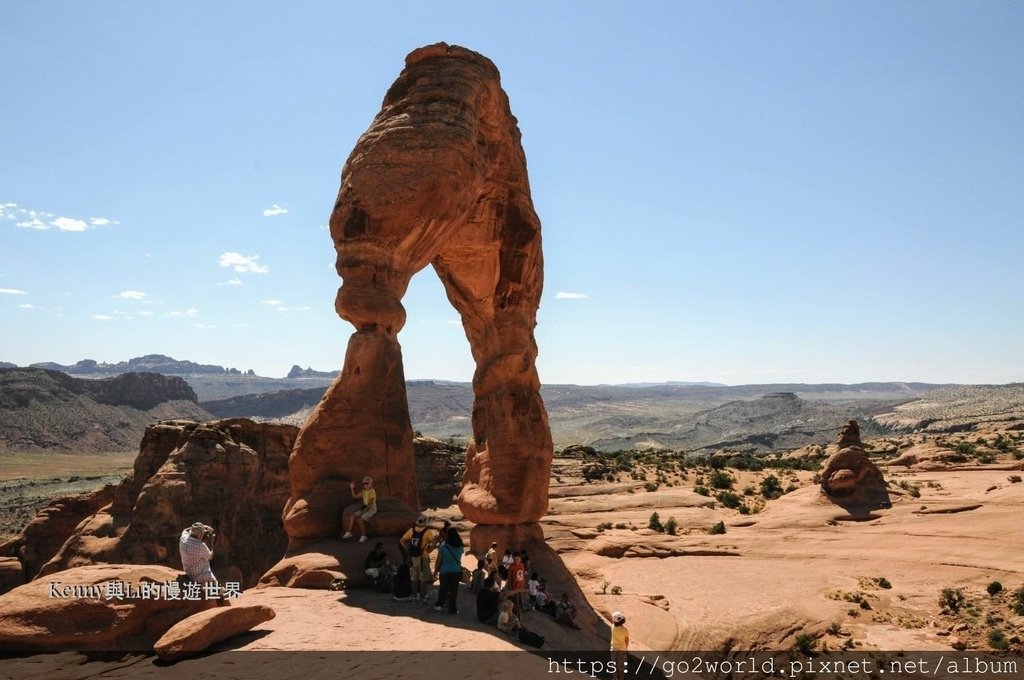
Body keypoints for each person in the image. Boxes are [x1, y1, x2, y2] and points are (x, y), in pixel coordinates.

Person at [400, 514, 436, 601]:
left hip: (413, 557)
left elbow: (402, 541)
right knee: (423, 578)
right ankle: (423, 596)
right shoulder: (427, 532)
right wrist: (429, 550)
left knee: (414, 578)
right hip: (423, 557)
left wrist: (408, 549)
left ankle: (415, 596)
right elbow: (433, 542)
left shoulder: (411, 530)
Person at [433, 526, 464, 614]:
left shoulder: (443, 546)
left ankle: (440, 605)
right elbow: (460, 556)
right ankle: (452, 608)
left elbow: (438, 560)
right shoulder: (460, 546)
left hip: (444, 571)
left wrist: (435, 571)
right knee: (454, 591)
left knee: (443, 589)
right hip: (456, 571)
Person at [342, 475, 377, 543]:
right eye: (364, 483)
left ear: (370, 484)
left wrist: (364, 511)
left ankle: (364, 536)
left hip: (371, 508)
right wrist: (352, 488)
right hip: (365, 507)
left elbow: (370, 503)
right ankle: (349, 532)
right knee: (352, 515)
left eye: (367, 483)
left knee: (360, 520)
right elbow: (355, 497)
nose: (365, 485)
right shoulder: (364, 491)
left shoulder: (372, 491)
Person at [610, 611, 629, 680]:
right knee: (621, 666)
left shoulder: (612, 627)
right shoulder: (625, 630)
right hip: (621, 649)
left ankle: (615, 678)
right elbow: (626, 641)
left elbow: (615, 624)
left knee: (614, 664)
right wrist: (625, 648)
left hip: (613, 648)